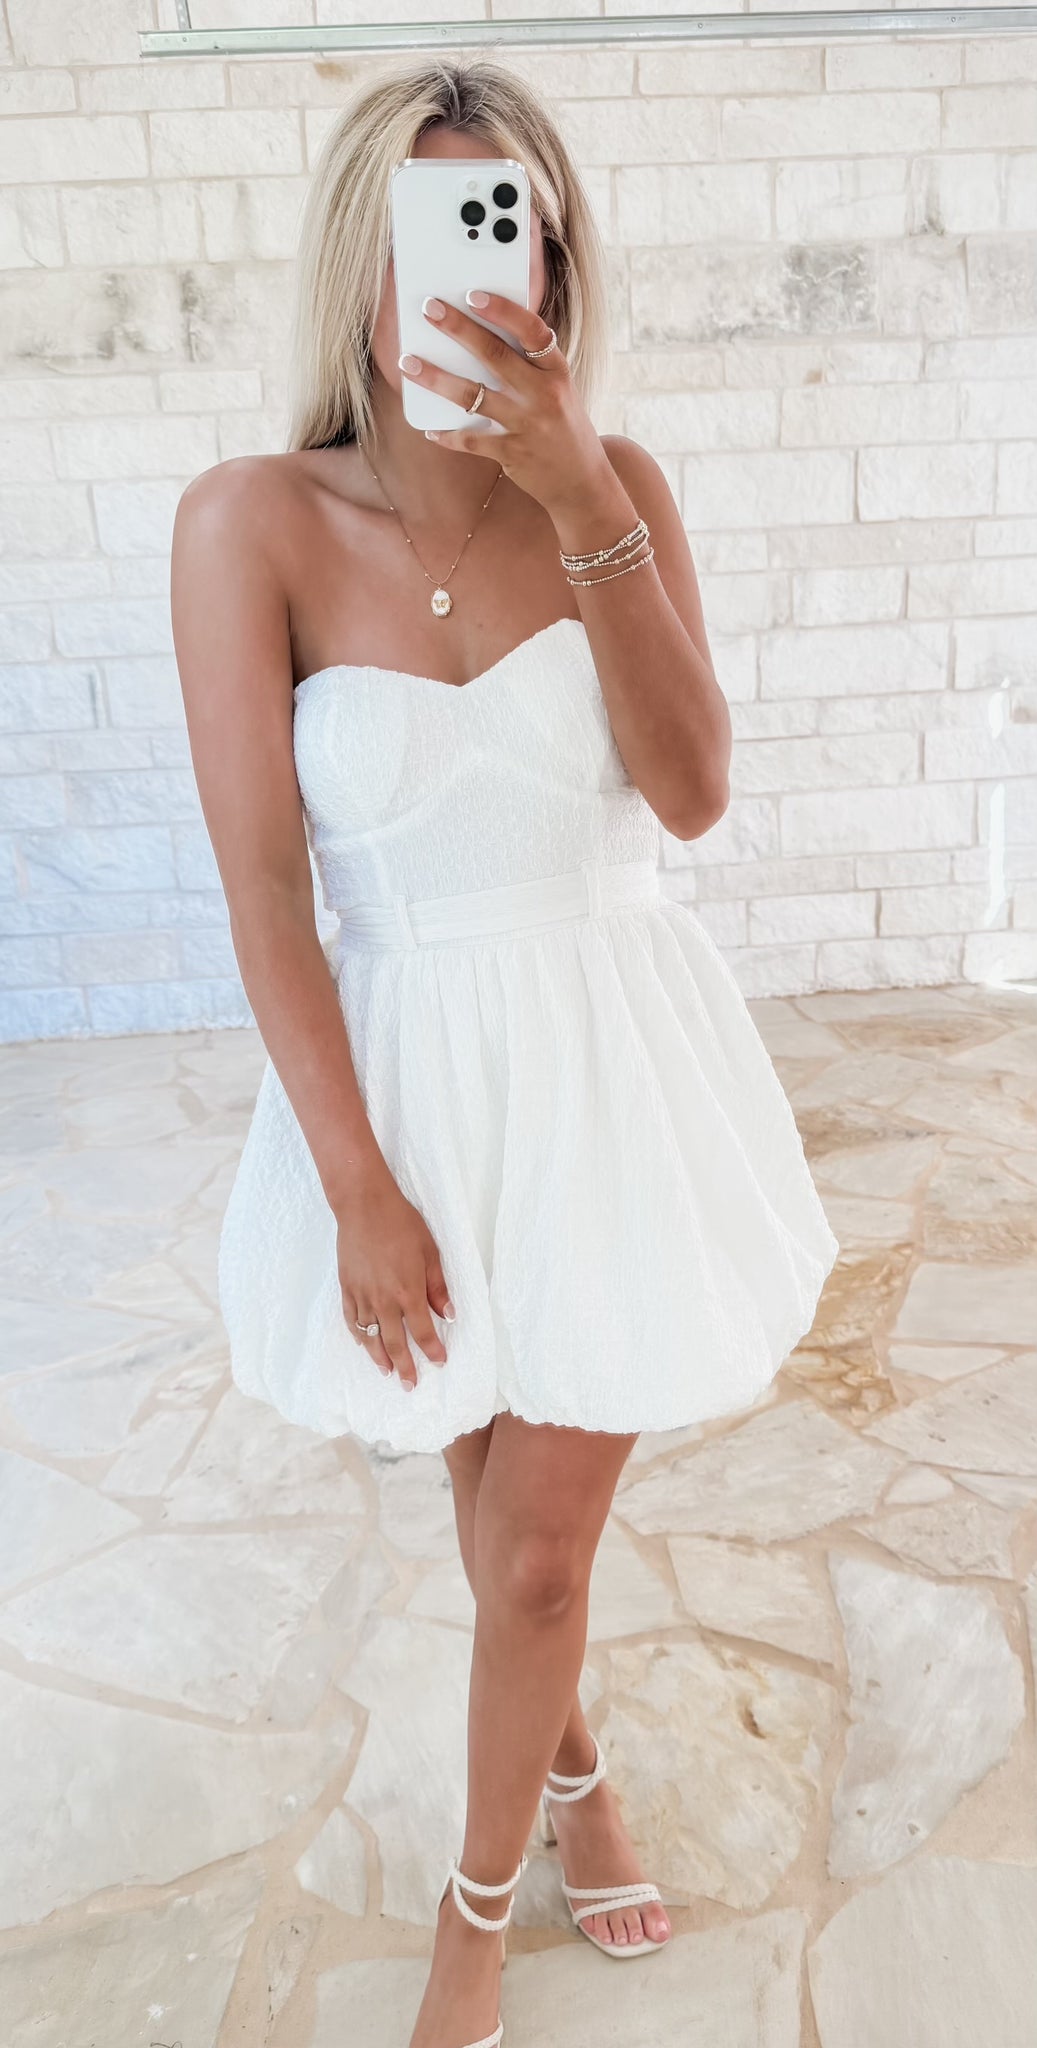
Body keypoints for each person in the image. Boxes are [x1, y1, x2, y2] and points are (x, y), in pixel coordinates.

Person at [171, 55, 839, 2048]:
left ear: (554, 262)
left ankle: (476, 1922)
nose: (478, 267)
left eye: (513, 228)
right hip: (411, 1091)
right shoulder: (250, 524)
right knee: (489, 1519)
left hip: (612, 1073)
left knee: (538, 1557)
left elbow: (693, 794)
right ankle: (574, 1772)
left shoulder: (618, 489)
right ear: (359, 260)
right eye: (436, 227)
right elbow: (265, 888)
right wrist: (354, 1185)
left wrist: (580, 493)